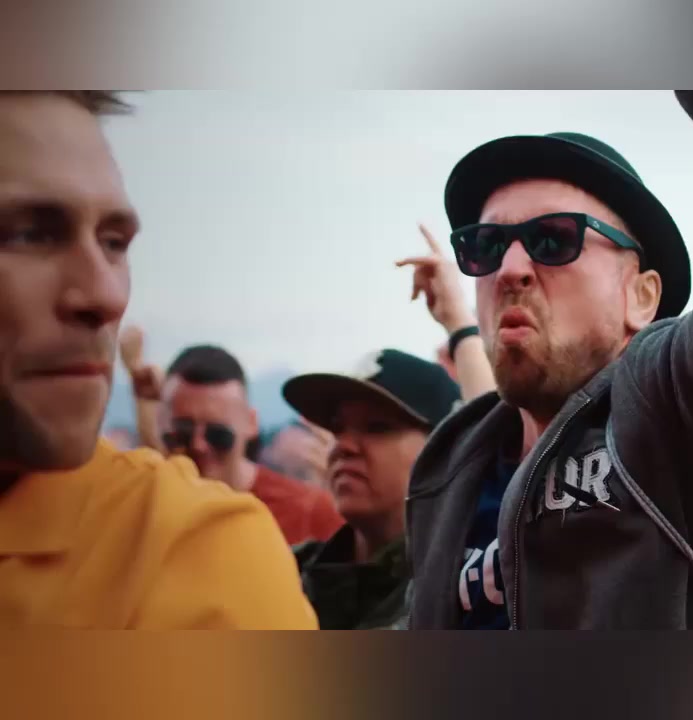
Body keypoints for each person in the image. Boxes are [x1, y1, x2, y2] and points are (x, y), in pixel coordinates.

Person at [406, 91, 693, 629]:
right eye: (485, 245)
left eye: (553, 239)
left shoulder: (678, 403)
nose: (510, 270)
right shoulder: (448, 463)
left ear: (642, 296)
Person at [0, 90, 316, 628]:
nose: (106, 294)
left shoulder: (196, 550)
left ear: (250, 426)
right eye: (31, 234)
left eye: (114, 242)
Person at [286, 349, 463, 630]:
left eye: (377, 427)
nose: (343, 445)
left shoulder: (466, 593)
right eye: (337, 428)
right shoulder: (284, 573)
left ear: (445, 451)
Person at [158, 343, 345, 545]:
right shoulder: (149, 507)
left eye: (217, 433)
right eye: (184, 430)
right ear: (161, 424)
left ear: (251, 423)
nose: (198, 445)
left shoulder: (309, 513)